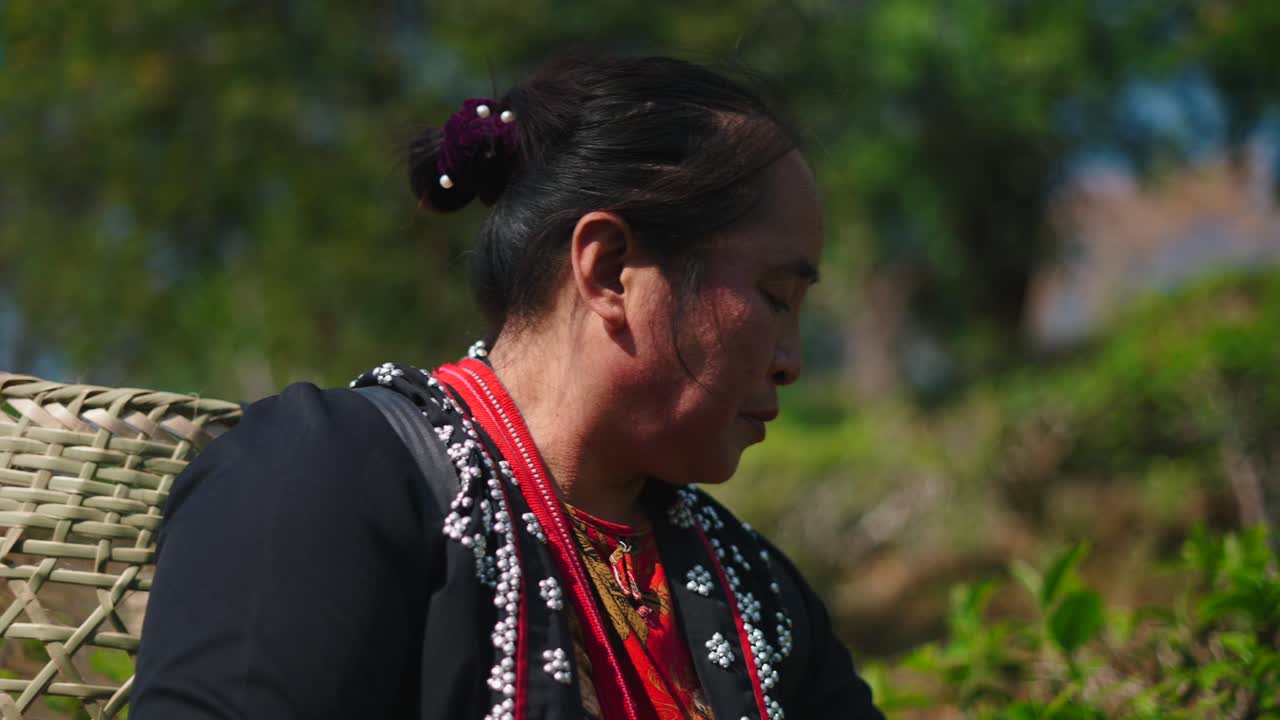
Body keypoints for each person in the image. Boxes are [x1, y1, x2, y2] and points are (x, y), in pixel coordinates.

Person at [132, 52, 884, 720]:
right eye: (776, 296)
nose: (791, 361)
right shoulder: (321, 479)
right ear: (610, 270)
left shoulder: (754, 589)